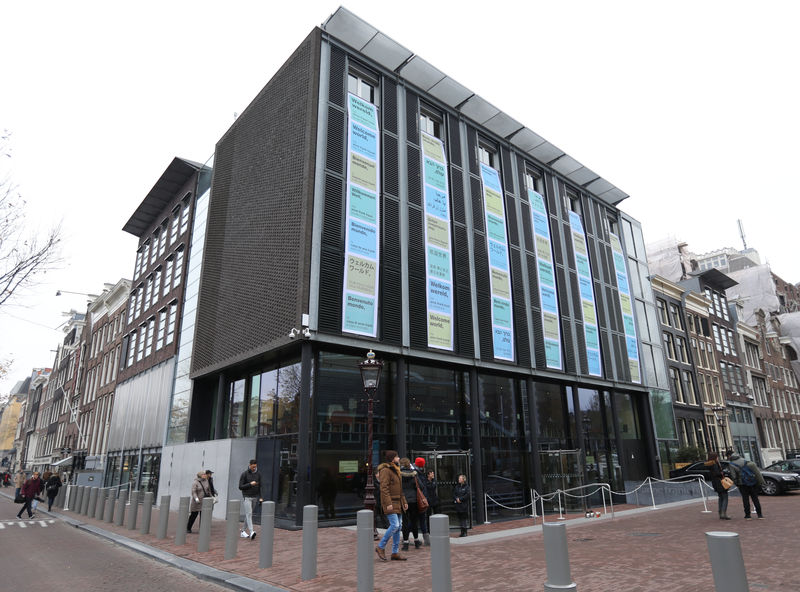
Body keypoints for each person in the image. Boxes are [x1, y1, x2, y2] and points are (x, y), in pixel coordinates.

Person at [375, 450, 407, 561]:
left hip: (398, 502)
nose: (399, 458)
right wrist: (388, 503)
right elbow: (384, 488)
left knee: (399, 527)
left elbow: (400, 489)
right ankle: (380, 546)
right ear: (392, 458)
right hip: (390, 503)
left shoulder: (396, 470)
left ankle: (395, 553)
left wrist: (404, 502)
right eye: (397, 456)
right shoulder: (385, 470)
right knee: (395, 525)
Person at [728, 452, 765, 520]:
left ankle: (748, 515)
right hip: (752, 482)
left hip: (742, 484)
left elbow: (734, 476)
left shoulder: (731, 464)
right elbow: (757, 472)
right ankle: (760, 515)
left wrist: (737, 484)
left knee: (745, 499)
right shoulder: (746, 461)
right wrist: (760, 483)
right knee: (755, 499)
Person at [399, 457, 426, 550]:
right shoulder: (414, 474)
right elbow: (421, 486)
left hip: (404, 501)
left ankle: (406, 543)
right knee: (414, 521)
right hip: (414, 500)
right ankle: (416, 541)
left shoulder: (399, 475)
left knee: (405, 522)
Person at [238, 459, 262, 540]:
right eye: (253, 467)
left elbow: (260, 486)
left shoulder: (258, 474)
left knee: (248, 514)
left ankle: (243, 531)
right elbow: (240, 487)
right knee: (249, 514)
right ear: (250, 465)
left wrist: (261, 497)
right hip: (247, 496)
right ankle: (251, 531)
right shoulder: (244, 474)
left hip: (255, 497)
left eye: (255, 466)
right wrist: (250, 484)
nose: (254, 468)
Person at [705, 452, 730, 520]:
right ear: (715, 457)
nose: (718, 458)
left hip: (715, 482)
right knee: (725, 497)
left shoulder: (710, 464)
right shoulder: (715, 464)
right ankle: (723, 513)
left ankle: (720, 512)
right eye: (717, 457)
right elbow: (717, 473)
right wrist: (722, 472)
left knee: (720, 497)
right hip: (720, 482)